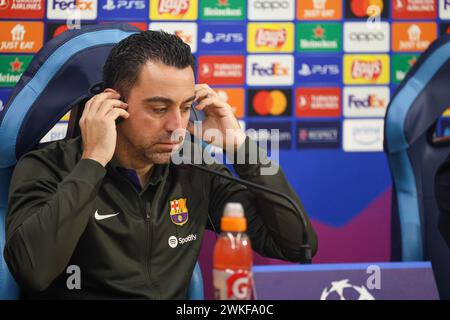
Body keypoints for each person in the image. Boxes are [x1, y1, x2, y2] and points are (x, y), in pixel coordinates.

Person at [3, 30, 317, 299]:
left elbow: (297, 245)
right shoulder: (48, 166)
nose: (176, 126)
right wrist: (93, 161)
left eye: (185, 108)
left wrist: (240, 148)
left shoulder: (193, 168)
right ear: (113, 104)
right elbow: (33, 272)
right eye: (158, 108)